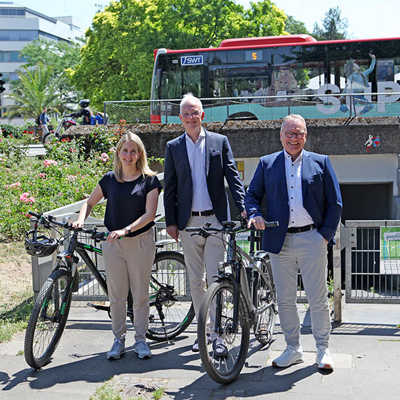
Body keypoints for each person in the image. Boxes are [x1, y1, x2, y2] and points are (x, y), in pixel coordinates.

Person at [245, 114, 342, 371]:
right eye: (289, 133)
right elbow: (252, 195)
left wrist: (325, 235)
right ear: (281, 136)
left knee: (318, 298)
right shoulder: (267, 164)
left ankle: (323, 349)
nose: (294, 138)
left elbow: (335, 203)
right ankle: (293, 348)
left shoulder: (321, 162)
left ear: (305, 135)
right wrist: (255, 214)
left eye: (298, 133)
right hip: (280, 240)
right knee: (285, 299)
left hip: (312, 238)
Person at [164, 93, 246, 355]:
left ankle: (217, 333)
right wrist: (171, 222)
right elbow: (171, 187)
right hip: (187, 223)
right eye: (186, 113)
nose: (190, 117)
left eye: (195, 112)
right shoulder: (173, 147)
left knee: (215, 278)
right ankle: (203, 331)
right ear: (180, 118)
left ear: (202, 115)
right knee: (195, 281)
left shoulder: (219, 142)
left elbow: (232, 177)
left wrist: (243, 208)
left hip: (214, 220)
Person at [73, 131, 161, 360]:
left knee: (140, 294)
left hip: (139, 242)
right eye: (125, 151)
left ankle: (141, 340)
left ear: (139, 153)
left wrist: (126, 230)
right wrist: (81, 219)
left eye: (133, 151)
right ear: (119, 153)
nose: (129, 155)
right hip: (113, 245)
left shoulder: (149, 180)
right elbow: (89, 203)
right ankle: (118, 340)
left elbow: (150, 214)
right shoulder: (110, 179)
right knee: (117, 295)